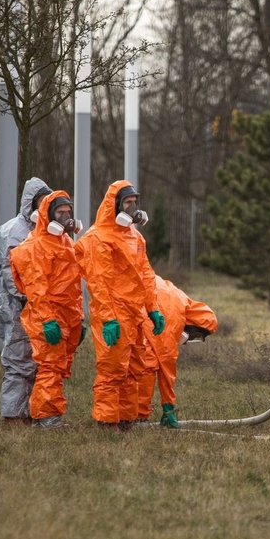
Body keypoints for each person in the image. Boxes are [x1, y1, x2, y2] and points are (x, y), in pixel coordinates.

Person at [75, 180, 164, 431]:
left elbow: (145, 274)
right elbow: (98, 281)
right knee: (112, 368)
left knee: (135, 368)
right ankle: (106, 421)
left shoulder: (135, 236)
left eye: (135, 202)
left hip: (135, 313)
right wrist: (108, 318)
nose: (133, 207)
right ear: (115, 205)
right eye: (127, 202)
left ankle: (126, 419)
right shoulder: (98, 238)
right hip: (113, 312)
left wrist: (153, 307)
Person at [9, 191, 84, 428]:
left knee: (58, 367)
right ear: (48, 216)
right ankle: (45, 416)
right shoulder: (35, 247)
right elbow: (36, 289)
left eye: (68, 212)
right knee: (50, 366)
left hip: (66, 315)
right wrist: (47, 320)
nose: (66, 217)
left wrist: (78, 320)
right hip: (47, 316)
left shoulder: (66, 243)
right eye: (60, 213)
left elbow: (74, 286)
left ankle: (49, 413)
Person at [0, 177, 51, 425]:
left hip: (31, 304)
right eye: (41, 202)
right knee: (18, 360)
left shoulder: (38, 229)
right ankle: (13, 416)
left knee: (33, 360)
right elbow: (9, 270)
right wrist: (26, 297)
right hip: (17, 306)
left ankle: (28, 411)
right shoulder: (15, 230)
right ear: (30, 204)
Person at [136, 275, 218, 428]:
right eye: (195, 336)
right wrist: (168, 408)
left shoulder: (182, 300)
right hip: (130, 296)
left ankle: (126, 413)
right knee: (148, 364)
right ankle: (137, 416)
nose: (190, 339)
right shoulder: (175, 317)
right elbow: (167, 366)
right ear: (194, 326)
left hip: (138, 293)